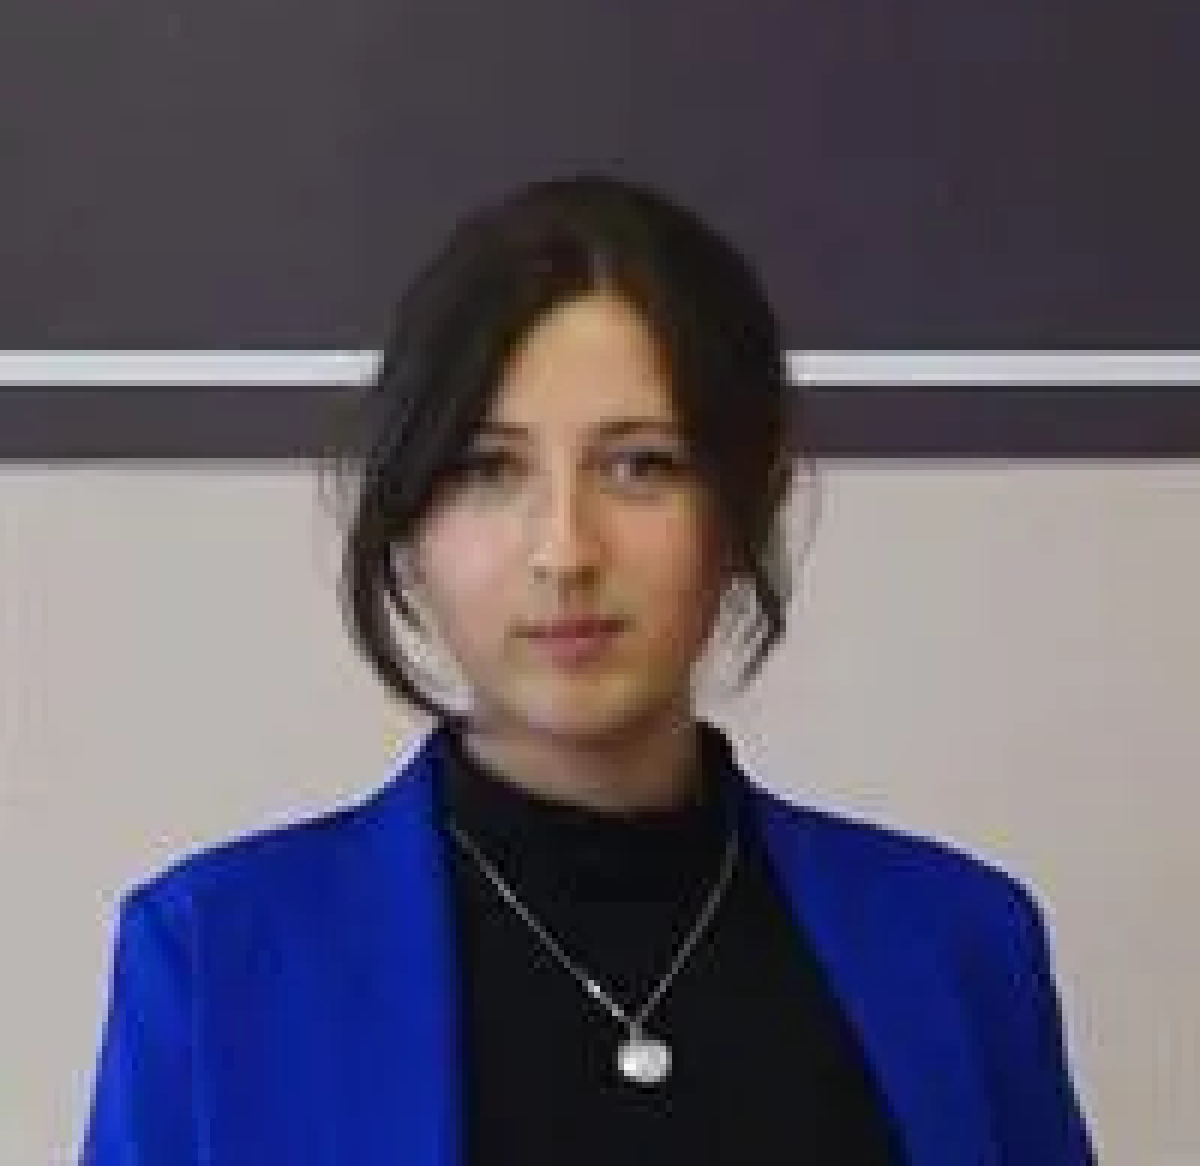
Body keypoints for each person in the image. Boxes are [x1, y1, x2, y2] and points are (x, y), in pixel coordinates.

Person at [80, 175, 1097, 1164]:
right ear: (409, 526)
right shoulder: (216, 957)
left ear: (744, 508)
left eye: (640, 465)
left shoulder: (958, 946)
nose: (565, 550)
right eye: (489, 469)